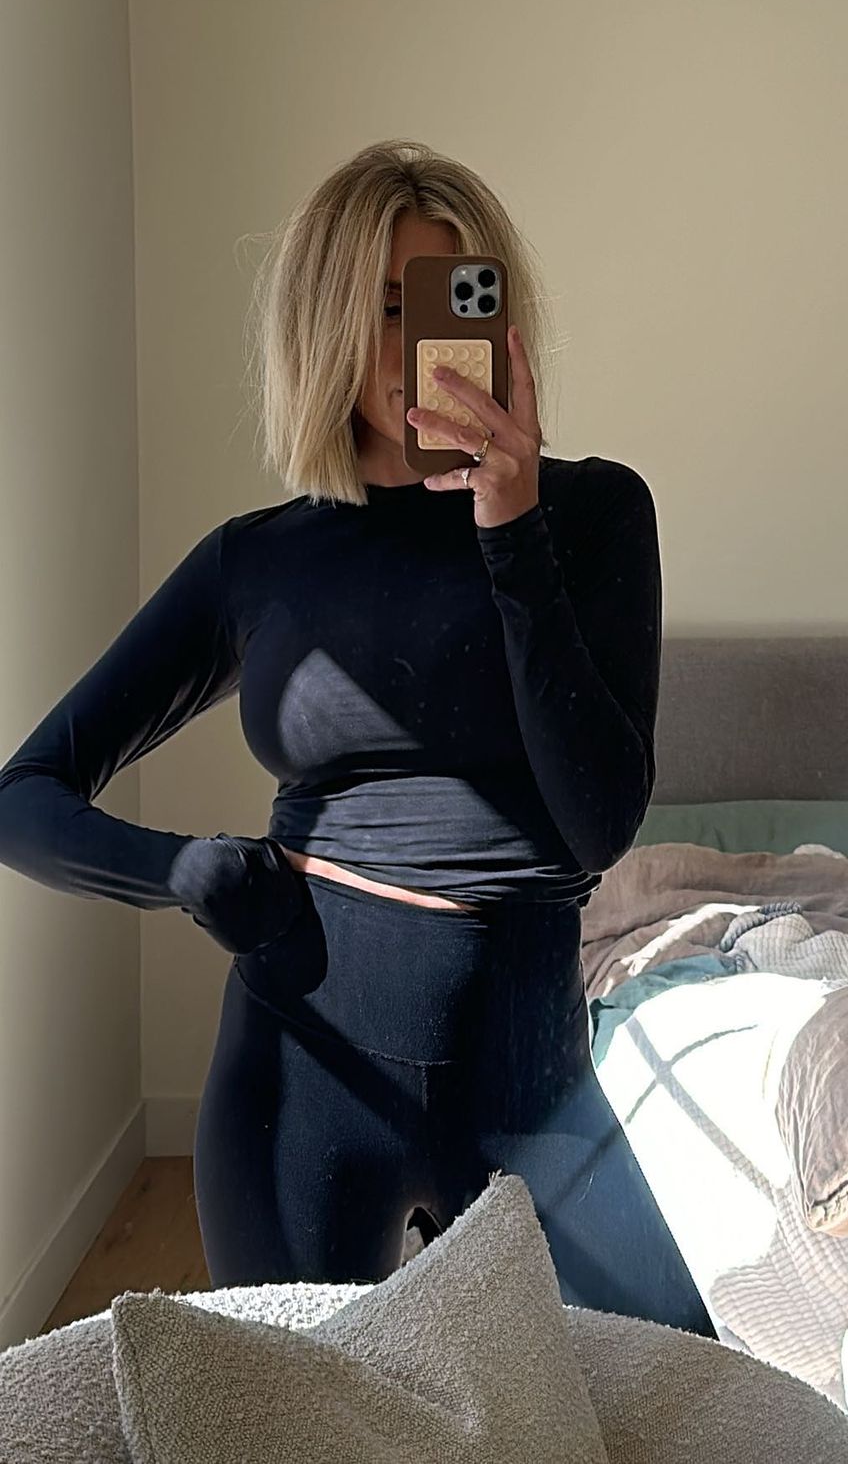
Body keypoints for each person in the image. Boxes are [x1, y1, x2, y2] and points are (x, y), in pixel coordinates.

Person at [0, 139, 714, 1336]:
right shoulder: (261, 558)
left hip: (531, 1076)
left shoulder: (594, 513)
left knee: (679, 1393)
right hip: (299, 1070)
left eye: (444, 303)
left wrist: (511, 528)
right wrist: (184, 870)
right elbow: (23, 790)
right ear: (322, 324)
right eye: (382, 307)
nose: (414, 346)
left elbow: (596, 822)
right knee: (301, 1412)